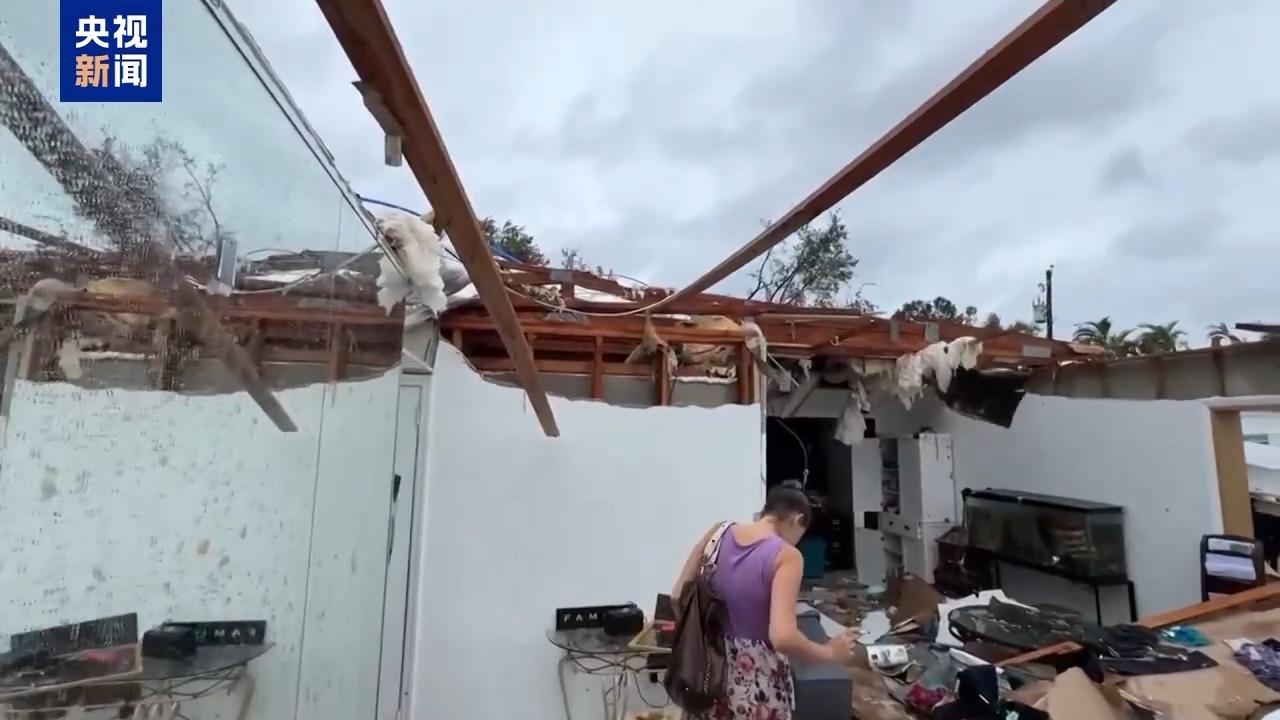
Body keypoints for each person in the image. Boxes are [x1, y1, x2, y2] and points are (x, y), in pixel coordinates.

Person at [671, 480, 857, 719]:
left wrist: (706, 637)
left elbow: (678, 597)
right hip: (755, 684)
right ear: (797, 519)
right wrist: (829, 653)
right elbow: (782, 637)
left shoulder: (718, 532)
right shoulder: (786, 556)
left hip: (706, 678)